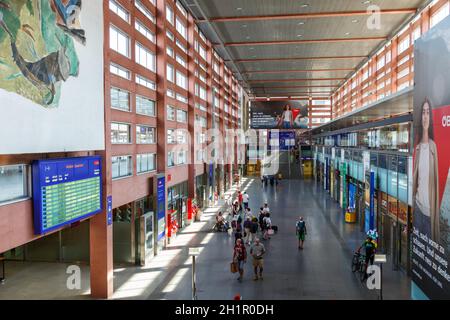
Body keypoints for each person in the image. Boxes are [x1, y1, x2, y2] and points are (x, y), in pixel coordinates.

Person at [413, 98, 440, 243]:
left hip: (429, 213)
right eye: (423, 112)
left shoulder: (433, 147)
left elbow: (435, 182)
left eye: (428, 112)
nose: (425, 116)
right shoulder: (416, 148)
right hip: (418, 209)